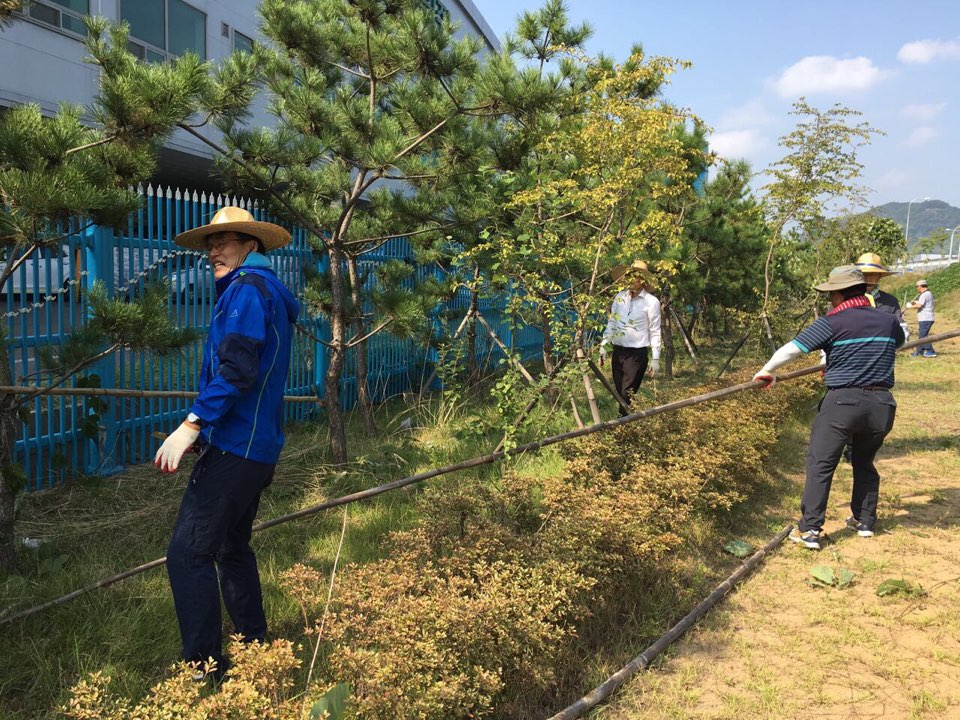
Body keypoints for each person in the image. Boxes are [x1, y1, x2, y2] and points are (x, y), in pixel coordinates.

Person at [154, 206, 300, 677]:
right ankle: (255, 646)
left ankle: (202, 665)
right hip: (256, 447)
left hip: (239, 449)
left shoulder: (245, 290)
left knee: (188, 552)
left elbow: (238, 369)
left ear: (250, 245)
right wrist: (206, 430)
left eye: (225, 241)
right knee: (232, 547)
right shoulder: (263, 289)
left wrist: (193, 424)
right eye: (209, 245)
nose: (213, 250)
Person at [753, 265, 904, 550]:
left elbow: (792, 349)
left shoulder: (832, 322)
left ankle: (810, 530)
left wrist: (766, 370)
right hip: (882, 405)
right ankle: (865, 521)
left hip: (843, 402)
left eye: (830, 294)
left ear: (838, 294)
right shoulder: (888, 320)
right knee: (864, 461)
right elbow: (899, 343)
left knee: (821, 464)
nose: (829, 299)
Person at [599, 259, 661, 416]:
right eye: (629, 275)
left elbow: (654, 330)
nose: (631, 279)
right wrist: (603, 346)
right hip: (618, 351)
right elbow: (612, 323)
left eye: (635, 276)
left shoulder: (651, 302)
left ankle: (622, 425)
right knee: (620, 392)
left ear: (643, 280)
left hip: (636, 354)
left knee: (627, 393)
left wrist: (655, 358)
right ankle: (628, 423)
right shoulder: (620, 297)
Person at [854, 252, 908, 337]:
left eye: (872, 274)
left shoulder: (890, 302)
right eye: (864, 274)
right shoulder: (846, 300)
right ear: (858, 276)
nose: (868, 278)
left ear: (879, 276)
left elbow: (902, 331)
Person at [907, 279, 936, 357]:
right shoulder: (927, 294)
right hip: (925, 318)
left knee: (923, 336)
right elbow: (922, 304)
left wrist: (910, 306)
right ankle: (919, 352)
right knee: (921, 335)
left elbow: (919, 306)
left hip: (926, 318)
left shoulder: (925, 294)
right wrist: (916, 302)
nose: (916, 288)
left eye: (917, 287)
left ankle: (930, 351)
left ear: (920, 286)